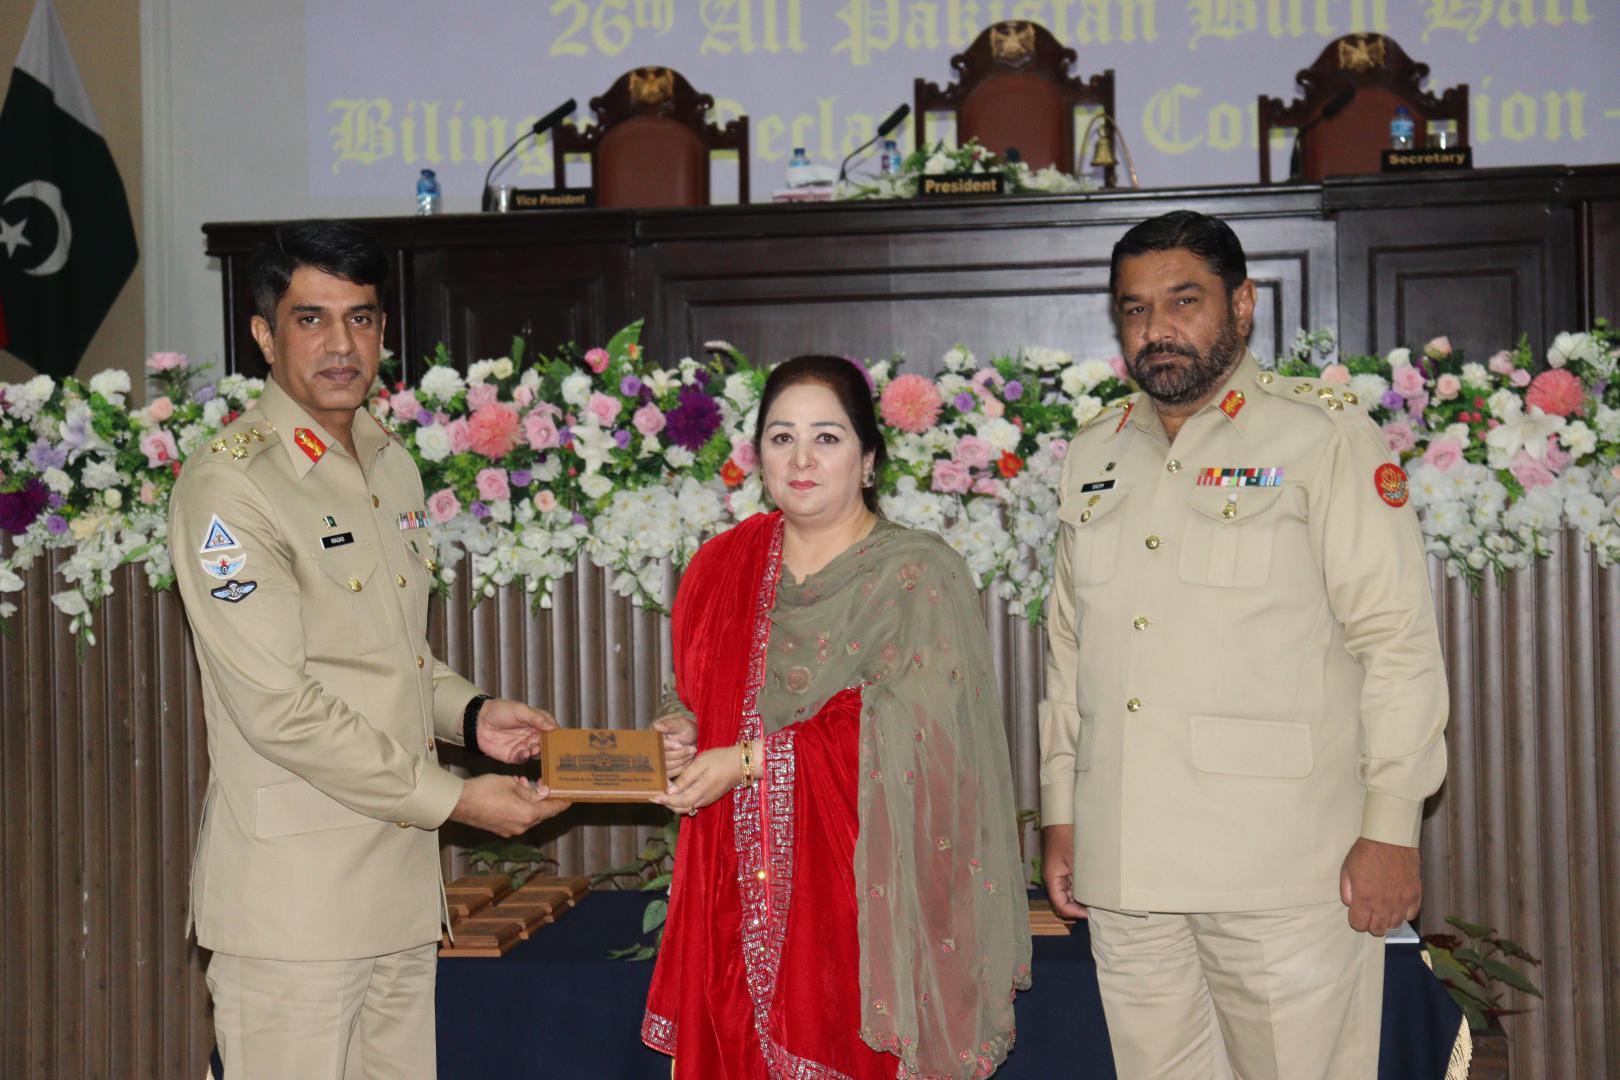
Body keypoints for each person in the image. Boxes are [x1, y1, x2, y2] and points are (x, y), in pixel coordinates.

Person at [1039, 210, 1448, 1079]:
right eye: (1135, 309)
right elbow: (1069, 652)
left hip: (1284, 870)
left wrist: (1391, 827)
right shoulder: (1093, 452)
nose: (1157, 328)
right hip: (1128, 868)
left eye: (1183, 301)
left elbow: (1396, 640)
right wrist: (1064, 812)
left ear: (1243, 305)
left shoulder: (1319, 436)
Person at [168, 219, 570, 1079]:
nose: (341, 344)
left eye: (361, 318)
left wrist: (473, 716)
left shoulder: (388, 462)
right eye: (311, 319)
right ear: (264, 335)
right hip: (296, 912)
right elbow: (279, 706)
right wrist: (455, 800)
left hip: (396, 895)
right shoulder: (231, 484)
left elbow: (392, 656)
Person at [643, 356, 1032, 1078]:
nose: (801, 459)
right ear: (757, 457)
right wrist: (681, 730)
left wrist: (752, 761)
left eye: (826, 437)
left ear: (869, 458)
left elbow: (926, 735)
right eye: (781, 437)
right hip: (733, 895)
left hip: (862, 900)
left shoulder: (917, 573)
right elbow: (694, 692)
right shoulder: (721, 567)